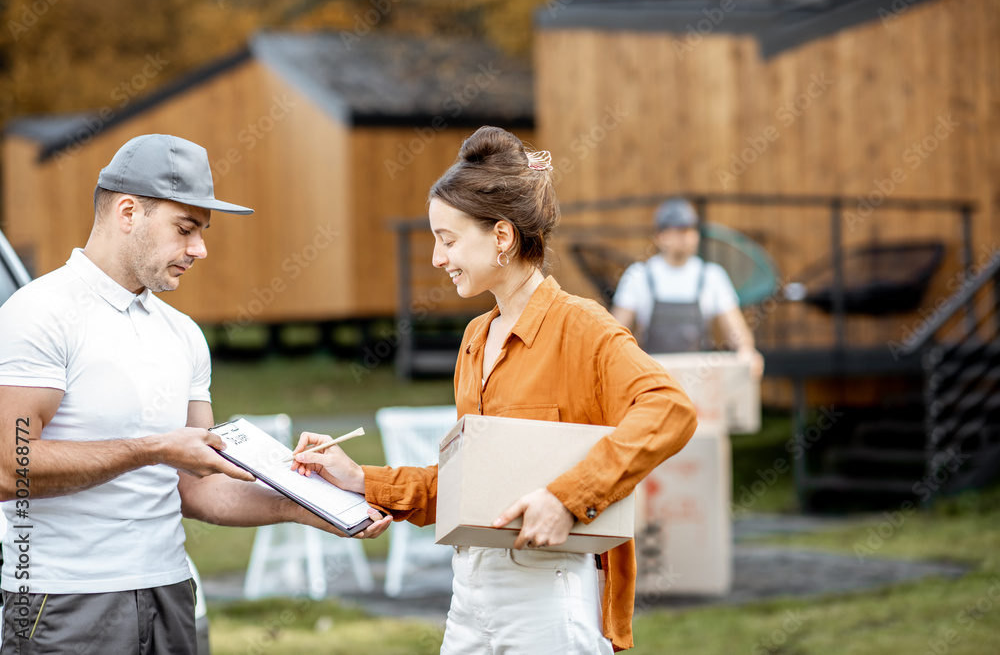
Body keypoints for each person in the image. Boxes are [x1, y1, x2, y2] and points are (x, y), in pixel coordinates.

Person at [290, 126, 698, 652]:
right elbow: (469, 486)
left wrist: (568, 498)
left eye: (448, 239)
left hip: (550, 594)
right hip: (469, 592)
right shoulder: (475, 339)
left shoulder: (583, 327)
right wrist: (358, 479)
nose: (438, 258)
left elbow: (670, 410)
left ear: (501, 237)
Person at [0, 134, 390, 653]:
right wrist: (153, 449)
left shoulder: (183, 333)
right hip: (64, 599)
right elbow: (10, 468)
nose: (199, 249)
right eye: (185, 229)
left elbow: (197, 486)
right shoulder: (38, 313)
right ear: (128, 211)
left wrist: (313, 508)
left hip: (171, 592)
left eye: (202, 233)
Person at [610, 197, 764, 378]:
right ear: (661, 237)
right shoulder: (639, 276)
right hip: (651, 378)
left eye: (691, 230)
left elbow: (736, 331)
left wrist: (746, 350)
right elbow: (616, 332)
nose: (687, 237)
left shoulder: (711, 276)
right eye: (680, 230)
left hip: (697, 379)